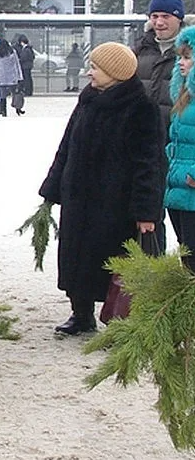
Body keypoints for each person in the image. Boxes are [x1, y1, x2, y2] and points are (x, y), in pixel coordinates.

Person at [38, 42, 165, 336]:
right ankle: (80, 314)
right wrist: (53, 186)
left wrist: (146, 212)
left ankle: (120, 318)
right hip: (79, 197)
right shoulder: (88, 99)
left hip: (115, 204)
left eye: (95, 68)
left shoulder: (141, 108)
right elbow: (67, 145)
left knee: (112, 261)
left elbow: (150, 164)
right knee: (75, 257)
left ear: (115, 73)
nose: (88, 73)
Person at [133, 0, 189, 250]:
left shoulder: (189, 52)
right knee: (149, 222)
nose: (159, 22)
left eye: (165, 16)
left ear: (179, 18)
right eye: (154, 16)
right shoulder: (140, 50)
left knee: (185, 227)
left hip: (179, 147)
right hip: (146, 148)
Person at [164, 26, 195, 270]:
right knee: (186, 256)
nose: (181, 63)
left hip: (191, 186)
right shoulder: (184, 98)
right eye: (180, 57)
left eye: (187, 57)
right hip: (179, 187)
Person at [0, 38, 23, 116]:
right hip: (12, 77)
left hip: (1, 78)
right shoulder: (12, 52)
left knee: (2, 96)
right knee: (15, 94)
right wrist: (20, 77)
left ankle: (3, 111)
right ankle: (18, 108)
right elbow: (17, 65)